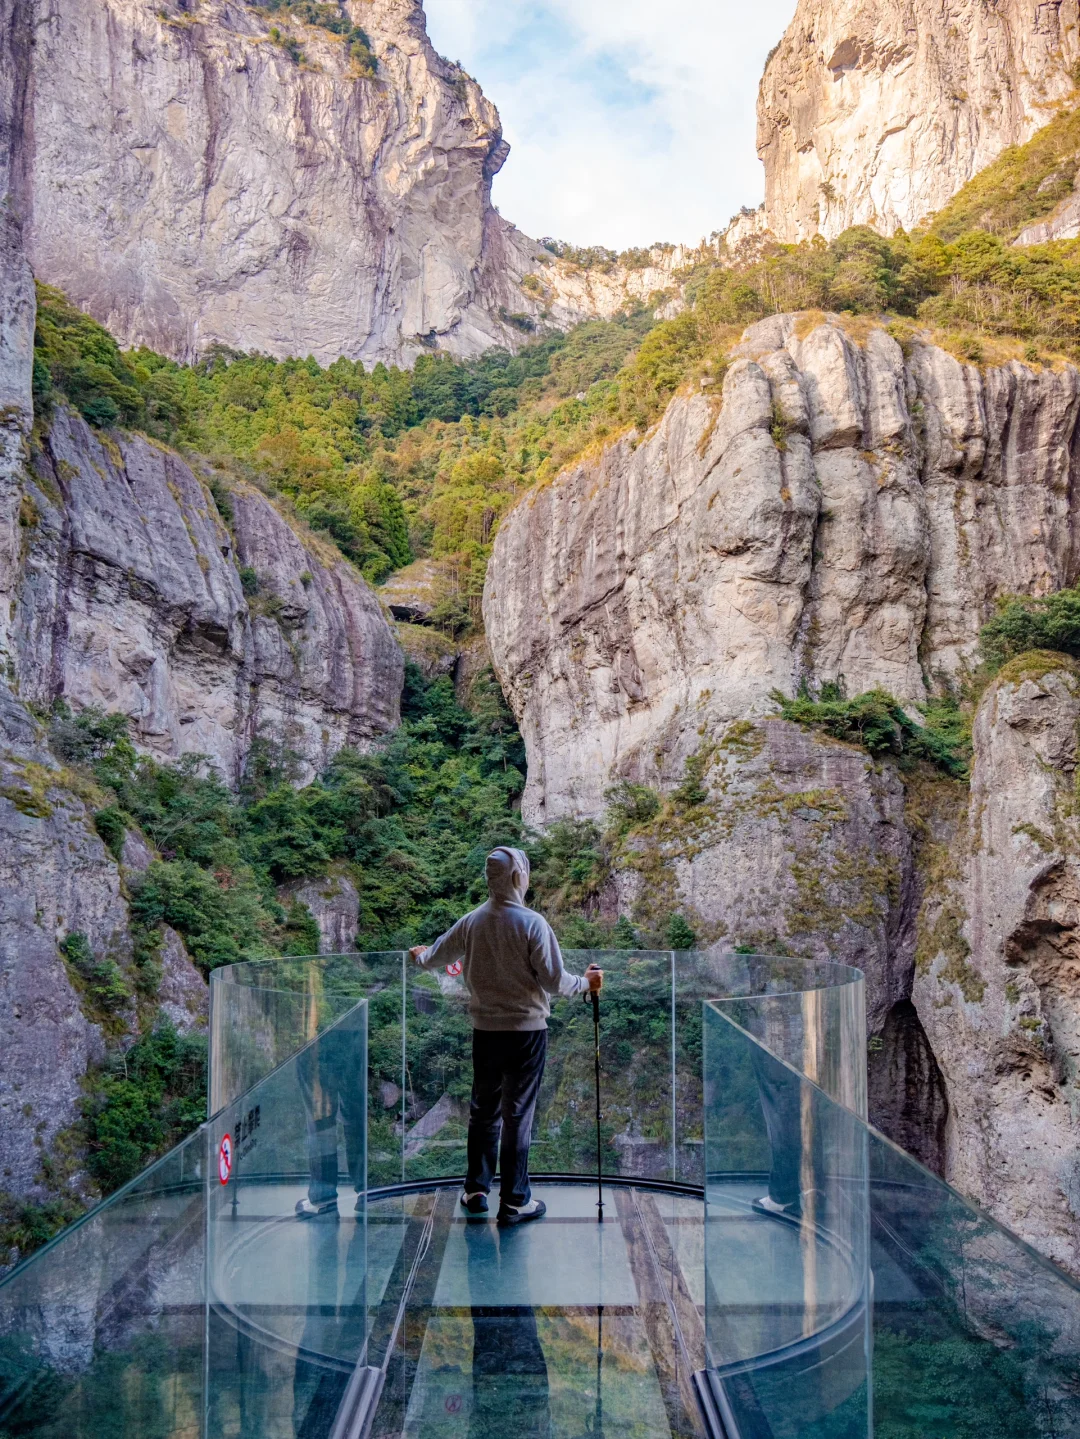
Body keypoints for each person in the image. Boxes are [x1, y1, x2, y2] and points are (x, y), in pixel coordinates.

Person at [411, 845, 602, 1226]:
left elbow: (434, 957)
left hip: (485, 1032)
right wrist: (588, 982)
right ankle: (515, 1200)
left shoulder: (472, 922)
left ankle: (476, 1189)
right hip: (527, 1034)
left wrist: (418, 956)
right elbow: (554, 981)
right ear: (519, 877)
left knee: (483, 1112)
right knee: (518, 1115)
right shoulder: (533, 924)